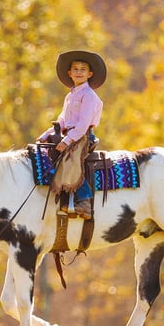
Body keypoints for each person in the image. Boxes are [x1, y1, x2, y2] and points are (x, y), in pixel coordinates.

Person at [37, 50, 106, 219]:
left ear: (90, 74)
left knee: (71, 160)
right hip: (70, 133)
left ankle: (84, 201)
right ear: (69, 73)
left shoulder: (89, 96)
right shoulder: (70, 95)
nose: (79, 72)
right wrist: (47, 134)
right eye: (75, 69)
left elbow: (82, 124)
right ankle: (61, 198)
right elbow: (63, 118)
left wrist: (67, 141)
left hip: (82, 136)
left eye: (83, 69)